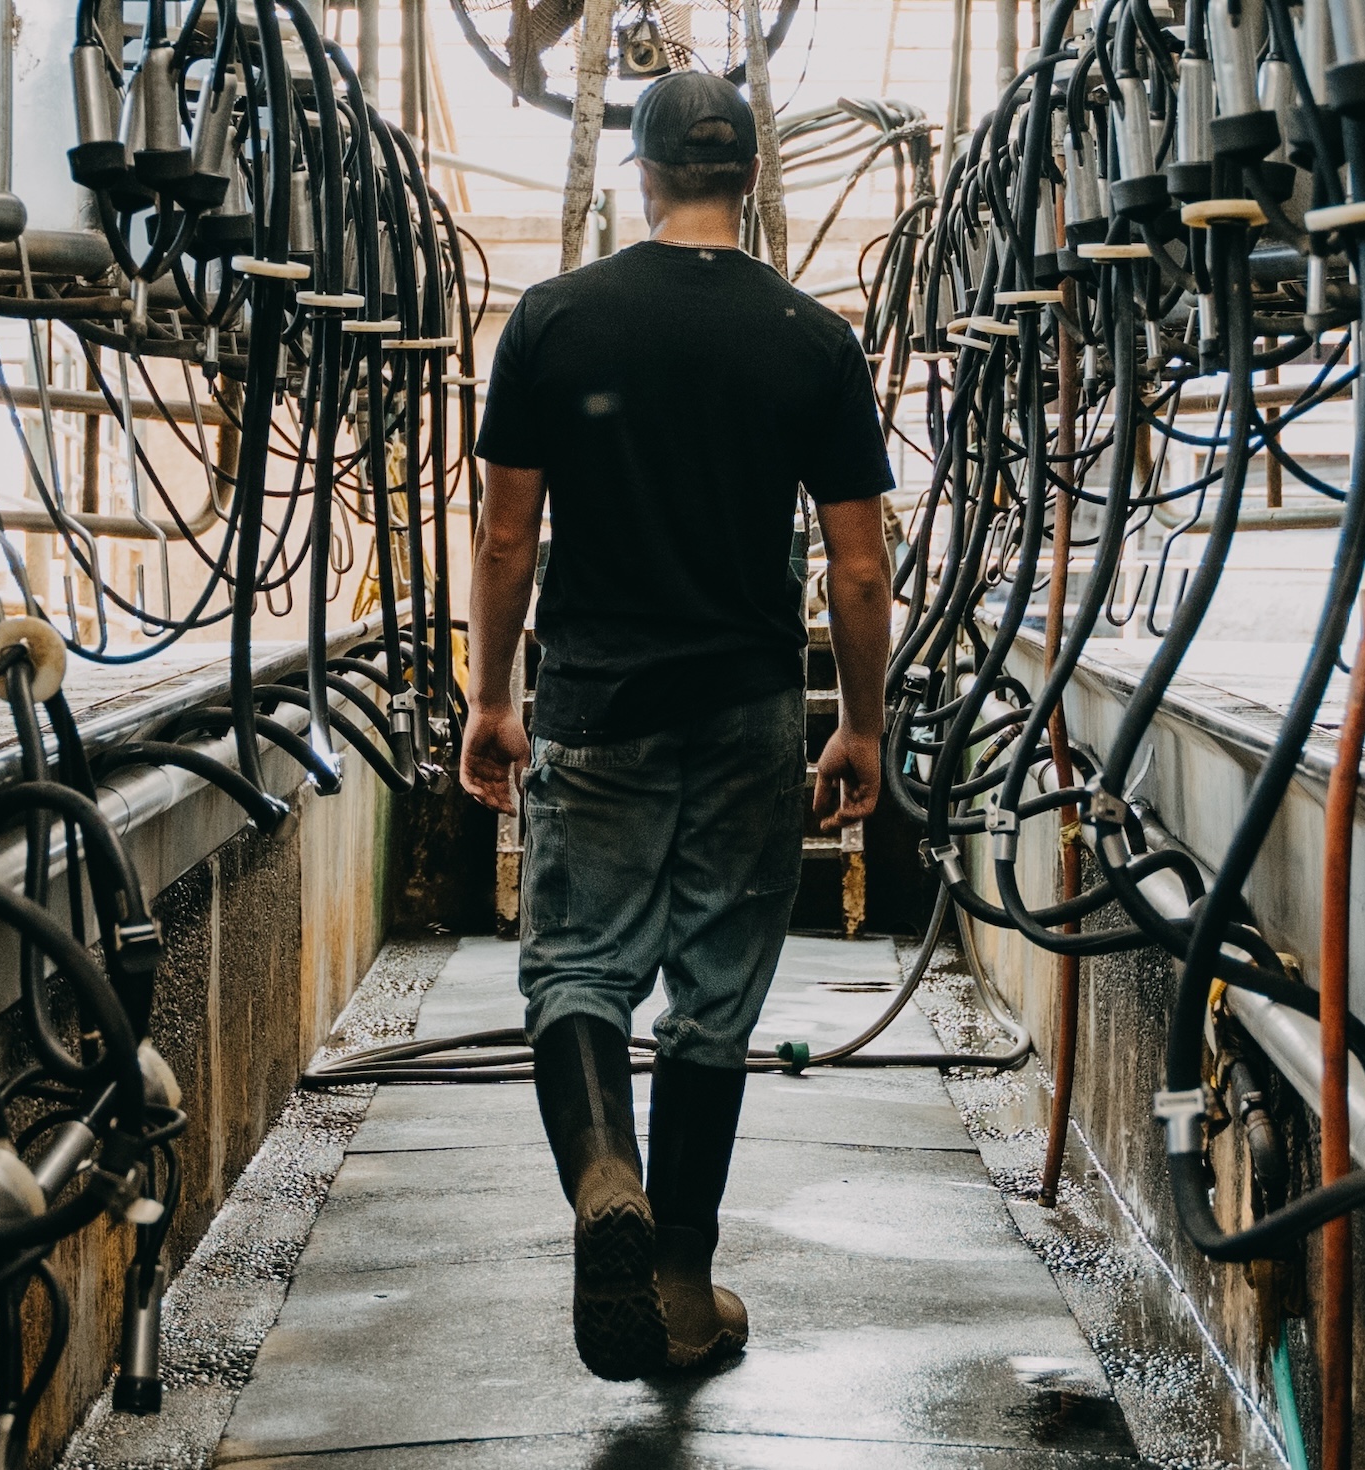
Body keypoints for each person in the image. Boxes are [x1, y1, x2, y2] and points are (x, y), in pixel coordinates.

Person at [458, 69, 893, 1381]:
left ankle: (604, 1178)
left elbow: (506, 531)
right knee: (712, 1000)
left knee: (578, 965)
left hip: (595, 695)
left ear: (642, 176)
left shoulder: (554, 320)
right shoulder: (809, 338)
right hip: (748, 706)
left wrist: (491, 697)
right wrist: (861, 727)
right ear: (747, 180)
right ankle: (685, 1284)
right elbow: (859, 568)